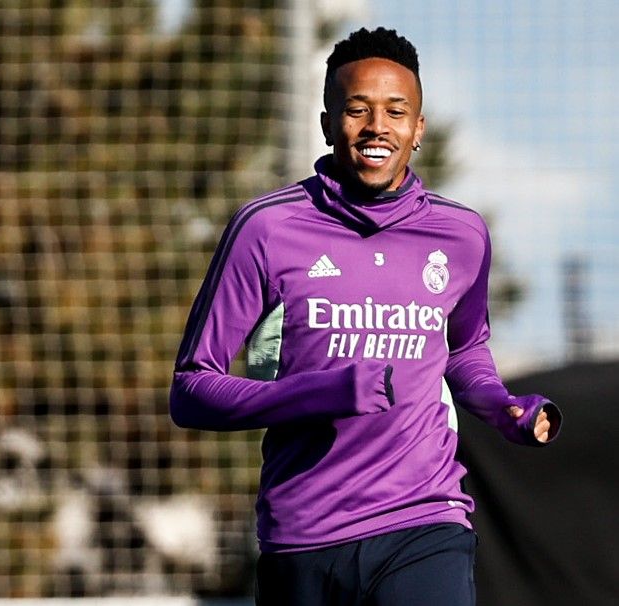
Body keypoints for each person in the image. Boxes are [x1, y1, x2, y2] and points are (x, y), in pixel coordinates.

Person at [169, 27, 561, 606]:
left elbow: (465, 348)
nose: (378, 126)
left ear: (418, 128)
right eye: (357, 110)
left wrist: (502, 407)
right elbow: (191, 390)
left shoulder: (461, 235)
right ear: (329, 124)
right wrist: (318, 393)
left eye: (396, 111)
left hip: (425, 521)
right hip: (303, 536)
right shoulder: (267, 228)